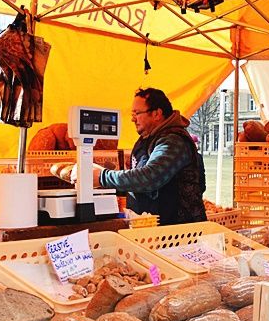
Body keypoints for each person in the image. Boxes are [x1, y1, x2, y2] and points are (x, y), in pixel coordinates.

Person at [86, 88, 206, 225]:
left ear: (157, 114)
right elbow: (137, 182)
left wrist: (102, 177)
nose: (132, 119)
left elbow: (150, 177)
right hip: (153, 227)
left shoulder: (173, 141)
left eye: (137, 113)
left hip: (178, 231)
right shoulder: (148, 138)